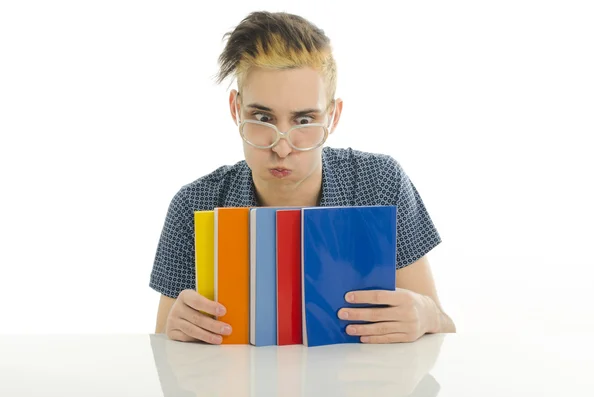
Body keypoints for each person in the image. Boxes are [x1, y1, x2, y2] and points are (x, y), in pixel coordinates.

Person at [149, 10, 456, 344]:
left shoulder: (381, 183)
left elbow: (444, 331)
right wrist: (174, 332)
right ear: (236, 110)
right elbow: (164, 349)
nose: (282, 147)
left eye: (304, 120)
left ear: (333, 116)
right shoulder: (194, 205)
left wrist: (427, 315)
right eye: (262, 116)